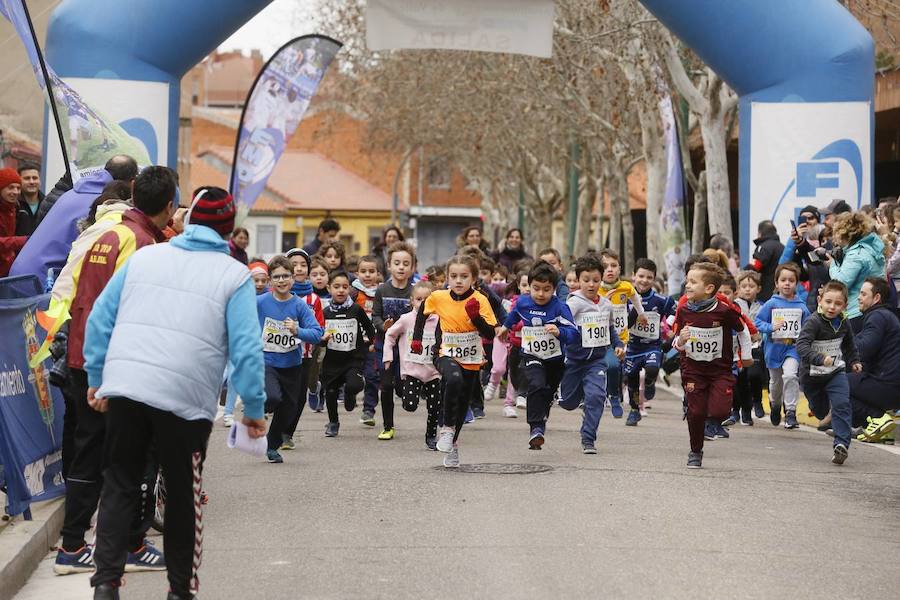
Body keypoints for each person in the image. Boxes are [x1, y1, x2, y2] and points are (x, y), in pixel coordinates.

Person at [81, 187, 267, 600]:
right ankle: (180, 590)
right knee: (183, 495)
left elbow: (99, 319)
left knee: (119, 484)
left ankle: (106, 584)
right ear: (229, 230)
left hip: (128, 388)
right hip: (186, 399)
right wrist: (253, 408)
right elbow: (247, 349)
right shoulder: (234, 275)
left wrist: (98, 376)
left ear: (186, 220)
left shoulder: (145, 257)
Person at [53, 166, 175, 578]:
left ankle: (89, 544)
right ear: (170, 207)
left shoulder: (110, 233)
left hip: (83, 357)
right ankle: (113, 544)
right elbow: (133, 312)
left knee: (96, 452)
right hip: (112, 364)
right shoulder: (141, 243)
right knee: (131, 456)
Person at [411, 255, 497, 468]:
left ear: (474, 279)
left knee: (462, 403)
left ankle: (453, 444)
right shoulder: (438, 297)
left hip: (471, 357)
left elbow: (490, 334)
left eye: (464, 276)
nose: (458, 281)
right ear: (447, 277)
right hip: (444, 352)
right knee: (454, 379)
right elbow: (422, 312)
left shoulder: (480, 300)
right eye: (453, 276)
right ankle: (447, 429)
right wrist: (416, 338)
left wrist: (476, 318)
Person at [10, 155, 139, 285]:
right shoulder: (104, 205)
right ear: (132, 182)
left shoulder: (75, 191)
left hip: (20, 273)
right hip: (41, 282)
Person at [673, 262, 752, 468]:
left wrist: (747, 355)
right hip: (693, 370)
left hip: (720, 370)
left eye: (692, 282)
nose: (687, 285)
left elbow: (742, 330)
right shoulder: (683, 310)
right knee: (696, 413)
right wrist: (681, 340)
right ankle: (695, 451)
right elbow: (677, 342)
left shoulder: (724, 310)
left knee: (719, 411)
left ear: (709, 289)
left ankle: (714, 417)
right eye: (687, 281)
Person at [498, 261, 577, 449]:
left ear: (554, 289)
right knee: (535, 384)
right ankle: (536, 429)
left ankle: (541, 417)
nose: (541, 294)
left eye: (546, 289)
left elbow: (574, 333)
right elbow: (515, 314)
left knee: (547, 392)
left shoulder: (560, 307)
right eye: (536, 288)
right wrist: (505, 327)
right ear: (529, 286)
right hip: (531, 353)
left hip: (555, 359)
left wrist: (559, 332)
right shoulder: (524, 301)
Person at [257, 256, 323, 463]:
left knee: (289, 409)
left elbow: (317, 333)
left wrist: (297, 330)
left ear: (293, 279)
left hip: (292, 365)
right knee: (273, 398)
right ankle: (260, 405)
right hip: (266, 361)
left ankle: (272, 445)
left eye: (285, 276)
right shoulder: (259, 302)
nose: (281, 280)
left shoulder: (299, 306)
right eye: (276, 277)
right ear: (270, 280)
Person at [559, 254, 621, 453]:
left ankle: (588, 438)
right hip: (574, 361)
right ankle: (573, 397)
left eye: (596, 280)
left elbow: (610, 329)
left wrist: (618, 344)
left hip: (596, 361)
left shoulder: (606, 305)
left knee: (596, 397)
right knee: (568, 403)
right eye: (586, 280)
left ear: (601, 279)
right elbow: (563, 326)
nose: (591, 285)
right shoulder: (574, 304)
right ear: (578, 281)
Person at [796, 280, 861, 465]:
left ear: (845, 305)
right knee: (820, 411)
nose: (832, 307)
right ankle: (821, 411)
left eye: (838, 303)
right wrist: (819, 358)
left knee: (842, 404)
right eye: (828, 302)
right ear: (820, 300)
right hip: (812, 376)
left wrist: (855, 360)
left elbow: (849, 344)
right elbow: (801, 346)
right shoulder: (813, 322)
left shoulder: (844, 322)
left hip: (835, 371)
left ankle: (841, 444)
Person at [383, 280, 441, 449]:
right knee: (409, 405)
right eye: (418, 299)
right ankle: (411, 399)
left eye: (426, 299)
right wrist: (388, 356)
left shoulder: (439, 320)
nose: (422, 303)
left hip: (433, 371)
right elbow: (390, 335)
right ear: (412, 301)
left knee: (434, 407)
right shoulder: (406, 319)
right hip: (412, 371)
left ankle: (431, 436)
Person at [754, 263, 810, 429]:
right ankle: (775, 404)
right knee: (775, 382)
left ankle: (791, 412)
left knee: (791, 375)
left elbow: (808, 326)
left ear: (796, 283)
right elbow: (758, 322)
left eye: (791, 280)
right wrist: (771, 327)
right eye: (783, 280)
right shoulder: (772, 304)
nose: (787, 283)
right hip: (774, 348)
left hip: (792, 348)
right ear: (776, 283)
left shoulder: (802, 307)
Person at [368, 242, 416, 431]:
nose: (401, 267)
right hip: (384, 346)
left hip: (407, 348)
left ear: (412, 267)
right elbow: (375, 316)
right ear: (389, 265)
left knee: (400, 384)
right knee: (386, 385)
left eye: (406, 263)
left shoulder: (414, 291)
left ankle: (403, 391)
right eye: (397, 263)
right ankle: (388, 426)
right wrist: (384, 327)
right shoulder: (382, 290)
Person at [623, 258, 676, 426]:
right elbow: (622, 323)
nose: (644, 280)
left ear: (654, 279)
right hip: (632, 347)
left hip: (652, 346)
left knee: (652, 369)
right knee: (630, 379)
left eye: (649, 277)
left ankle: (650, 381)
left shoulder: (661, 300)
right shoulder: (625, 299)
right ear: (633, 276)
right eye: (641, 276)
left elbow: (675, 312)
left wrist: (667, 326)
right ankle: (634, 410)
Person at [849, 277, 900, 441]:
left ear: (876, 298)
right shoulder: (885, 316)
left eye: (864, 294)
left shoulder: (877, 316)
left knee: (834, 382)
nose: (859, 297)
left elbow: (864, 348)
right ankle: (881, 430)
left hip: (887, 385)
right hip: (890, 384)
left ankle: (877, 418)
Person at [598, 249, 647, 418]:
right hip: (599, 338)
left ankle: (614, 396)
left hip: (620, 338)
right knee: (602, 368)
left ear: (620, 268)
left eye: (613, 266)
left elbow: (636, 298)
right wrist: (603, 302)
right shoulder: (595, 289)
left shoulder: (626, 287)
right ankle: (599, 395)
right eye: (605, 266)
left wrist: (641, 314)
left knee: (614, 367)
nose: (609, 269)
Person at [826, 211, 886, 332]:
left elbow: (840, 283)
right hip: (872, 307)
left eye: (836, 233)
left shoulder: (855, 254)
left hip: (856, 311)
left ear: (844, 233)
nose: (835, 238)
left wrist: (832, 264)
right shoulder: (869, 248)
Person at [779, 205, 829, 313]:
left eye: (810, 218)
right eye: (803, 218)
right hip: (800, 298)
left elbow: (819, 263)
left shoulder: (825, 240)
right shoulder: (795, 242)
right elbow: (782, 266)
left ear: (818, 220)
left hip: (822, 298)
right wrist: (794, 241)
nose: (807, 222)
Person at [733, 270, 766, 420]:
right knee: (739, 380)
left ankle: (757, 401)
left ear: (758, 288)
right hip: (737, 347)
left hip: (755, 346)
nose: (747, 289)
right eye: (744, 286)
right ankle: (739, 409)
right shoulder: (734, 306)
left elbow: (767, 324)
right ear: (738, 288)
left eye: (751, 286)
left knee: (755, 375)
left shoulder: (763, 307)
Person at [352, 255, 381, 426]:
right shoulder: (353, 293)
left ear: (378, 273)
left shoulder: (381, 292)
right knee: (353, 377)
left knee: (372, 377)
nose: (367, 275)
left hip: (372, 343)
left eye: (371, 271)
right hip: (354, 343)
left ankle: (369, 410)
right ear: (357, 274)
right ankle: (349, 395)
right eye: (363, 271)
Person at [749, 220, 785, 301]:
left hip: (765, 294)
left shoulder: (763, 247)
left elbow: (754, 267)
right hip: (780, 292)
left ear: (760, 233)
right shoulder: (782, 247)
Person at [0, 168, 24, 277]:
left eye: (18, 188)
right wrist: (23, 240)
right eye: (11, 188)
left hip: (7, 270)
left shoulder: (14, 208)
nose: (15, 192)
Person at [15, 161, 44, 236]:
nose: (31, 182)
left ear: (39, 180)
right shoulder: (14, 205)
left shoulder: (47, 203)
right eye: (27, 178)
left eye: (35, 178)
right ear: (19, 180)